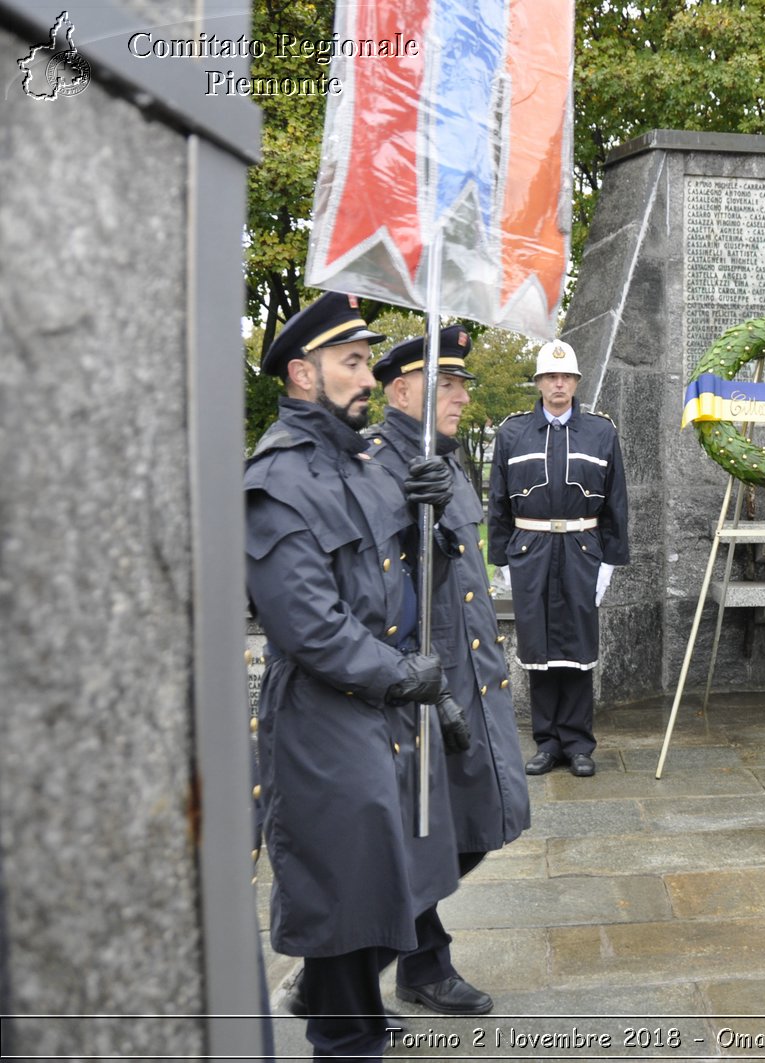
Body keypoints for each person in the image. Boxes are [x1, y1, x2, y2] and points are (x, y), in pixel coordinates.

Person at [245, 291, 463, 1059]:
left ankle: (346, 1006)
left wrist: (438, 532)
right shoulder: (277, 479)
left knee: (389, 883)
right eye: (353, 362)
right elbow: (308, 626)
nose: (367, 376)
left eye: (368, 360)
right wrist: (405, 675)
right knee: (344, 893)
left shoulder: (365, 466)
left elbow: (407, 590)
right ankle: (344, 1036)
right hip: (324, 721)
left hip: (384, 711)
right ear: (303, 373)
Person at [362, 325, 533, 1015]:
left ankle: (373, 960)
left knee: (486, 819)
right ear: (401, 389)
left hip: (471, 675)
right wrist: (410, 513)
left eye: (462, 382)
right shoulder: (376, 464)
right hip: (419, 682)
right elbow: (370, 581)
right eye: (448, 383)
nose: (463, 394)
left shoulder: (449, 461)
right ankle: (409, 963)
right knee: (424, 829)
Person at [487, 339, 629, 777]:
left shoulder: (602, 432)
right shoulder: (512, 432)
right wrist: (502, 561)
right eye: (551, 376)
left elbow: (616, 504)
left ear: (576, 382)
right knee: (538, 650)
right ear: (539, 382)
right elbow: (497, 504)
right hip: (530, 552)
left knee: (578, 649)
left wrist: (609, 562)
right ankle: (547, 742)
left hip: (581, 551)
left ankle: (579, 743)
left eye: (566, 376)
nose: (559, 384)